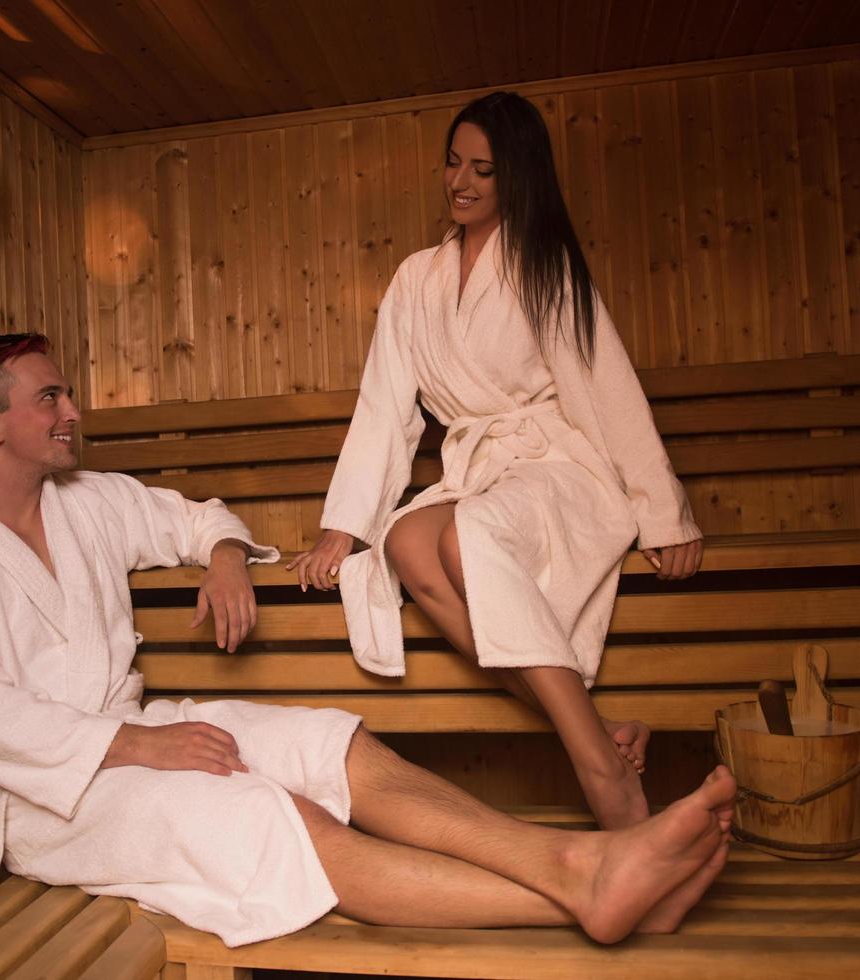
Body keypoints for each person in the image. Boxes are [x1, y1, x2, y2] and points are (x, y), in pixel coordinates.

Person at [0, 332, 734, 951]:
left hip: (136, 733)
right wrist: (139, 743)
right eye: (49, 397)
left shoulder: (87, 501)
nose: (72, 409)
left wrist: (222, 558)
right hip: (52, 799)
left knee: (333, 743)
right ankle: (583, 890)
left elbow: (198, 516)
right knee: (276, 814)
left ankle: (594, 867)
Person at [289, 91, 704, 832]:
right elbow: (385, 408)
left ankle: (598, 772)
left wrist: (662, 514)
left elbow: (605, 388)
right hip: (482, 470)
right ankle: (592, 729)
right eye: (452, 161)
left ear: (516, 177)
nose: (460, 181)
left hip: (557, 464)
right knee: (405, 541)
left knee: (465, 534)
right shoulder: (415, 279)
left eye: (482, 168)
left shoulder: (545, 265)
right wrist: (343, 528)